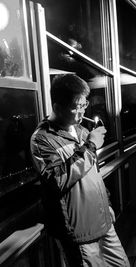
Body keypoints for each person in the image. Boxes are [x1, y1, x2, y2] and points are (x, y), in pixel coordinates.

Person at [30, 74, 129, 266]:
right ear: (57, 107)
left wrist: (106, 203)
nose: (82, 113)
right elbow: (57, 179)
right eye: (76, 107)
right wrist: (90, 146)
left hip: (102, 221)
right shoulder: (42, 139)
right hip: (78, 231)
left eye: (84, 105)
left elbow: (94, 174)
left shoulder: (82, 130)